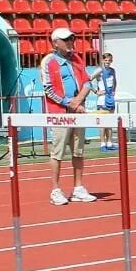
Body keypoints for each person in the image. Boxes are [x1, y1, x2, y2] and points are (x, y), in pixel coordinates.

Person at [41, 26, 96, 205]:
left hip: (77, 111)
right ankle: (55, 189)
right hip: (60, 114)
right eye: (66, 40)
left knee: (78, 150)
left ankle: (78, 188)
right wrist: (69, 103)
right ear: (56, 43)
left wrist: (78, 101)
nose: (71, 42)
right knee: (58, 152)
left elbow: (87, 82)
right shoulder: (48, 61)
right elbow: (49, 89)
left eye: (72, 39)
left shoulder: (76, 59)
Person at [91, 51, 118, 152]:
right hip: (102, 100)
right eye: (106, 60)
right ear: (102, 60)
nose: (108, 62)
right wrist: (96, 91)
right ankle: (102, 144)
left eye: (109, 60)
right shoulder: (99, 70)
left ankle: (110, 143)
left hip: (110, 99)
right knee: (103, 123)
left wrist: (114, 90)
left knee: (110, 122)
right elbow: (88, 80)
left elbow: (115, 81)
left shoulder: (112, 71)